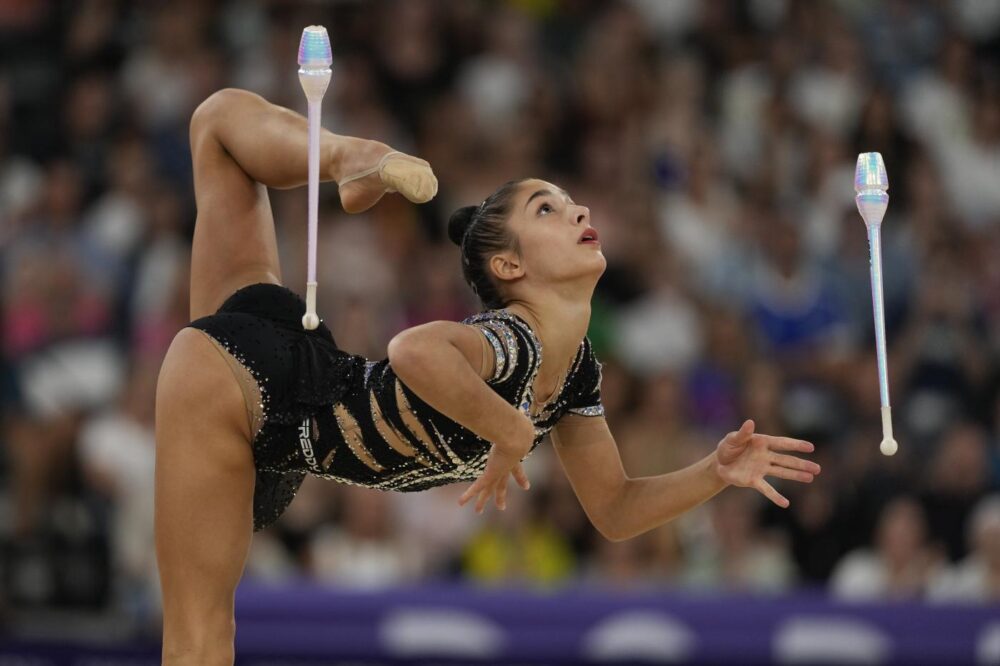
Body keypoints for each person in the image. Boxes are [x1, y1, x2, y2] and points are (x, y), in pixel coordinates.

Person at [154, 88, 821, 664]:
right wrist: (508, 426)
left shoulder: (576, 373)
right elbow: (414, 350)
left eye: (567, 205)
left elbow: (614, 510)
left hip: (295, 378)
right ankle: (347, 157)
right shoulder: (514, 342)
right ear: (509, 269)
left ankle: (346, 156)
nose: (581, 213)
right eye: (550, 210)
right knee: (200, 643)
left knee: (218, 124)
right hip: (239, 381)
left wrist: (714, 472)